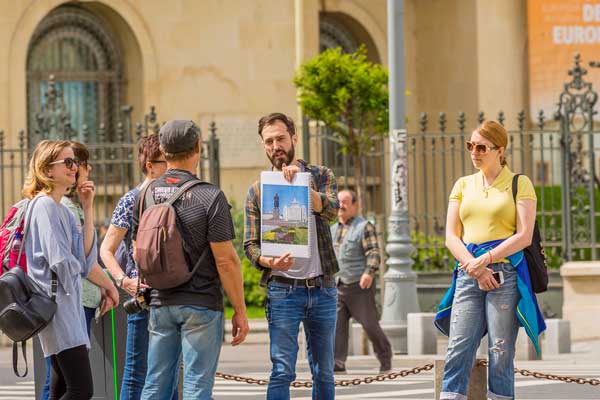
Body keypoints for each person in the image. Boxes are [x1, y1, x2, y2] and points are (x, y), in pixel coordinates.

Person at [130, 120, 249, 399]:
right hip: (201, 303)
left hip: (160, 302)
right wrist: (240, 310)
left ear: (162, 150)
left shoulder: (146, 194)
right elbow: (226, 261)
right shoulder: (210, 196)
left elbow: (140, 246)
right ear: (198, 148)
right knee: (197, 385)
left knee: (155, 384)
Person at [434, 121, 546, 400]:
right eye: (470, 145)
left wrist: (487, 259)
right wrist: (476, 267)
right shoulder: (463, 185)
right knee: (458, 347)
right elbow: (451, 236)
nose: (474, 152)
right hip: (468, 272)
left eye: (481, 147)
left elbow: (524, 235)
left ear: (500, 150)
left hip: (505, 275)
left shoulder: (519, 183)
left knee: (500, 350)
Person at [244, 112, 339, 400]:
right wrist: (267, 261)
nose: (276, 146)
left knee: (324, 371)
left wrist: (306, 190)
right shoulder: (258, 190)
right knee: (282, 369)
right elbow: (250, 245)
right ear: (264, 145)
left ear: (294, 138)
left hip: (322, 289)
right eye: (269, 141)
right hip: (283, 290)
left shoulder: (321, 175)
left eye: (281, 138)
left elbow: (333, 211)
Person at [23, 140, 119, 400]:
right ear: (47, 169)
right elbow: (62, 263)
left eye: (74, 162)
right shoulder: (44, 206)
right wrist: (79, 267)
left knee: (61, 387)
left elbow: (86, 261)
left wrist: (88, 208)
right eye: (67, 162)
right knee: (81, 389)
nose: (74, 167)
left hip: (68, 307)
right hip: (58, 310)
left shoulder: (62, 210)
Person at [100, 135, 176, 400]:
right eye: (165, 162)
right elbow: (106, 250)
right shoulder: (131, 200)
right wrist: (124, 281)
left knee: (171, 373)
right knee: (135, 374)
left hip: (174, 296)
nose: (170, 168)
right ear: (149, 165)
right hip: (143, 296)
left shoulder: (176, 195)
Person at [331, 189, 392, 374]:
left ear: (355, 205)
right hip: (337, 286)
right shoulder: (331, 229)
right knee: (337, 326)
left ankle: (385, 356)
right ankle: (337, 362)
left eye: (346, 202)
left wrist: (369, 272)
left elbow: (373, 251)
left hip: (359, 286)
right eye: (339, 201)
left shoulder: (364, 226)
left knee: (369, 325)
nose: (341, 205)